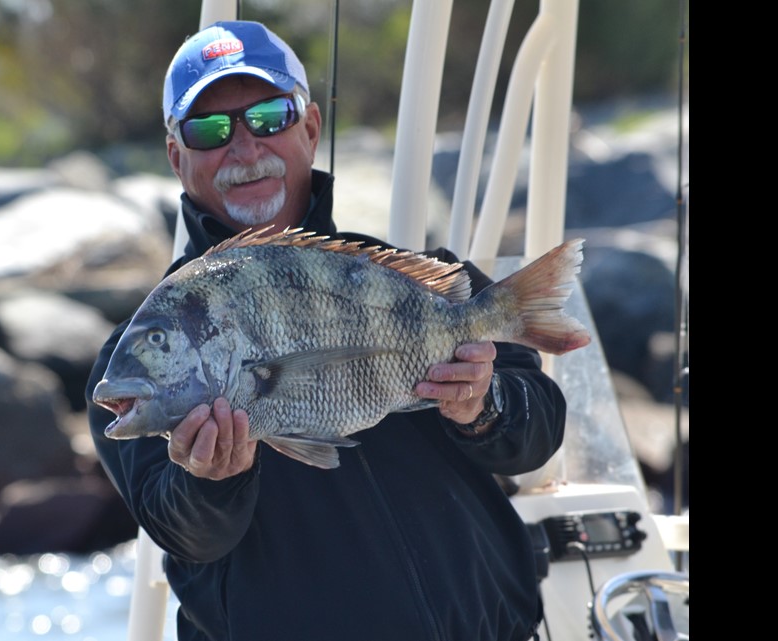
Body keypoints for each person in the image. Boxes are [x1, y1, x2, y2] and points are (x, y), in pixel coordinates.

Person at [86, 20, 565, 641]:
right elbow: (184, 534)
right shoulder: (129, 372)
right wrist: (211, 482)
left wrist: (483, 405)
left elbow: (539, 435)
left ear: (309, 128)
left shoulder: (422, 288)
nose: (244, 147)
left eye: (268, 117)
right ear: (178, 158)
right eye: (209, 129)